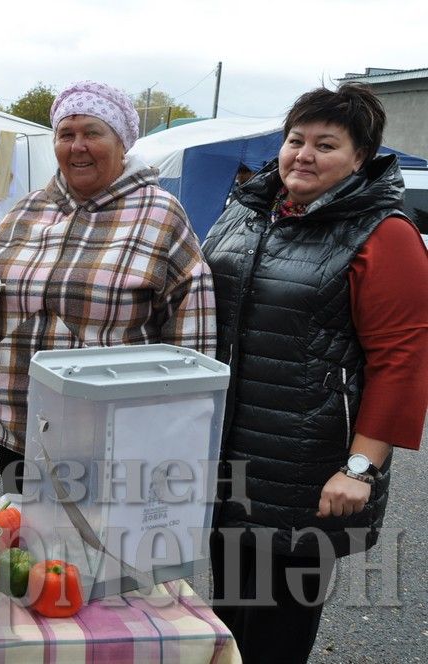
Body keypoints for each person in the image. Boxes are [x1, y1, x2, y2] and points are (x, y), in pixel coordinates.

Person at [202, 83, 428, 664]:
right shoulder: (247, 215)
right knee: (226, 621)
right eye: (295, 139)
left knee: (277, 632)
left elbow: (402, 358)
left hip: (309, 471)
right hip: (229, 460)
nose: (303, 154)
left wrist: (361, 467)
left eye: (325, 144)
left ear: (361, 158)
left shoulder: (384, 234)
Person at [0, 80, 216, 489]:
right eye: (66, 134)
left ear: (122, 143)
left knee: (99, 552)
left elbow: (192, 334)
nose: (77, 145)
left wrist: (178, 435)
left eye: (92, 132)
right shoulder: (28, 208)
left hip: (112, 441)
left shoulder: (159, 213)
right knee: (28, 548)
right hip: (20, 430)